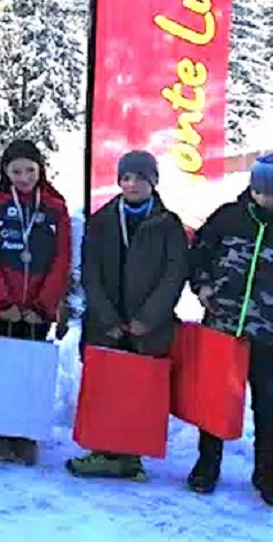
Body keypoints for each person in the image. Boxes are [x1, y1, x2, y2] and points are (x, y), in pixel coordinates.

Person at [186, 153, 273, 509]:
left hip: (268, 335)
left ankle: (267, 472)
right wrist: (203, 289)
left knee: (266, 404)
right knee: (215, 399)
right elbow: (200, 253)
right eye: (261, 191)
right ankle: (207, 463)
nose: (267, 198)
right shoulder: (229, 217)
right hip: (222, 327)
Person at [65, 150, 187, 481]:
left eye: (139, 178)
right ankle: (103, 451)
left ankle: (131, 456)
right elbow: (89, 270)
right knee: (106, 387)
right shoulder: (102, 220)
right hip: (107, 323)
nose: (131, 184)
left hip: (148, 325)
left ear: (154, 182)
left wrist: (147, 318)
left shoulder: (168, 224)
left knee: (137, 390)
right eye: (126, 178)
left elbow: (174, 275)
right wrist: (107, 317)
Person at [0, 139, 72, 465]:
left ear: (40, 169)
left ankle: (25, 430)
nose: (24, 177)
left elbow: (62, 259)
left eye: (30, 170)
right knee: (2, 368)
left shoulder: (56, 208)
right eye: (16, 171)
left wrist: (45, 305)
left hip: (37, 308)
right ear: (5, 171)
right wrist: (1, 301)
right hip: (0, 305)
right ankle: (0, 429)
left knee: (30, 370)